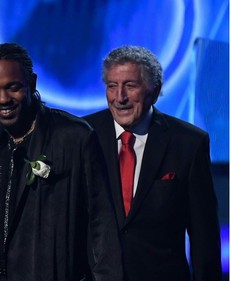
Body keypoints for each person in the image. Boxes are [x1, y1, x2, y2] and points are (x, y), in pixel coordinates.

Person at [0, 43, 123, 281]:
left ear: (32, 83)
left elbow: (102, 227)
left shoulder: (74, 137)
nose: (3, 98)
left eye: (13, 87)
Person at [84, 45, 222, 281]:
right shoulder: (83, 135)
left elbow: (203, 236)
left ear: (154, 91)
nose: (120, 98)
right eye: (112, 86)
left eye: (130, 85)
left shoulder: (188, 143)